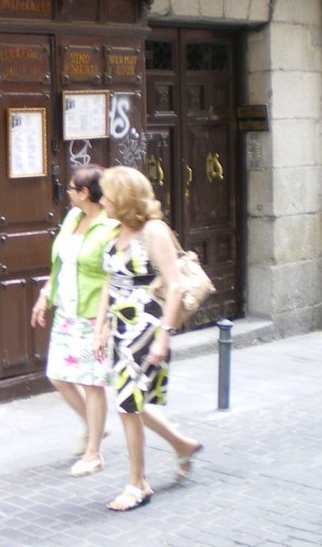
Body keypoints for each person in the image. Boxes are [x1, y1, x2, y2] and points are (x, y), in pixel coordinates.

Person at [93, 166, 203, 512]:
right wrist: (100, 326)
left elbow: (175, 286)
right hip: (120, 326)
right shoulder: (116, 231)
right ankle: (182, 444)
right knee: (131, 402)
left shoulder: (153, 231)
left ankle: (137, 483)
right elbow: (109, 283)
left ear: (123, 199)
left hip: (145, 326)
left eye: (107, 194)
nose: (102, 200)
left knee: (127, 403)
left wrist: (163, 338)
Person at [31, 164, 118, 477]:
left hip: (94, 313)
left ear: (85, 193)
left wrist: (105, 322)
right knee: (57, 375)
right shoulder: (72, 218)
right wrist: (45, 295)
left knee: (93, 382)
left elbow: (113, 276)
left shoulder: (110, 227)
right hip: (67, 309)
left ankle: (94, 452)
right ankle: (95, 427)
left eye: (71, 188)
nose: (66, 192)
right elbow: (60, 263)